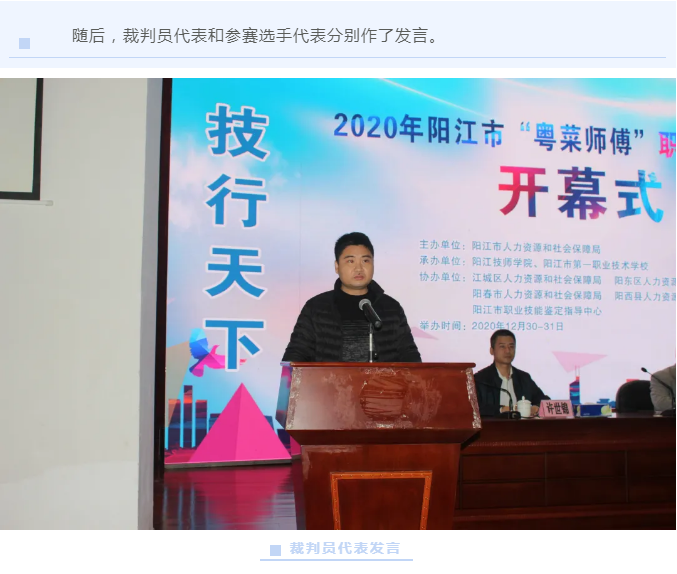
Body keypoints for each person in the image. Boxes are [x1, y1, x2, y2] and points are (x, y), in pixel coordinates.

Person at [282, 232, 421, 363]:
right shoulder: (316, 308)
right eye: (350, 261)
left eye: (365, 261)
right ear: (337, 266)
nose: (359, 268)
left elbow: (411, 358)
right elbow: (294, 356)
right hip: (331, 382)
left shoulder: (391, 308)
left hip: (382, 382)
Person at [474, 329, 547, 417]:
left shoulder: (524, 378)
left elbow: (544, 401)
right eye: (502, 346)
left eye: (511, 346)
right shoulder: (480, 379)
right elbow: (474, 408)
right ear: (492, 350)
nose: (508, 351)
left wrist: (536, 407)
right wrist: (502, 409)